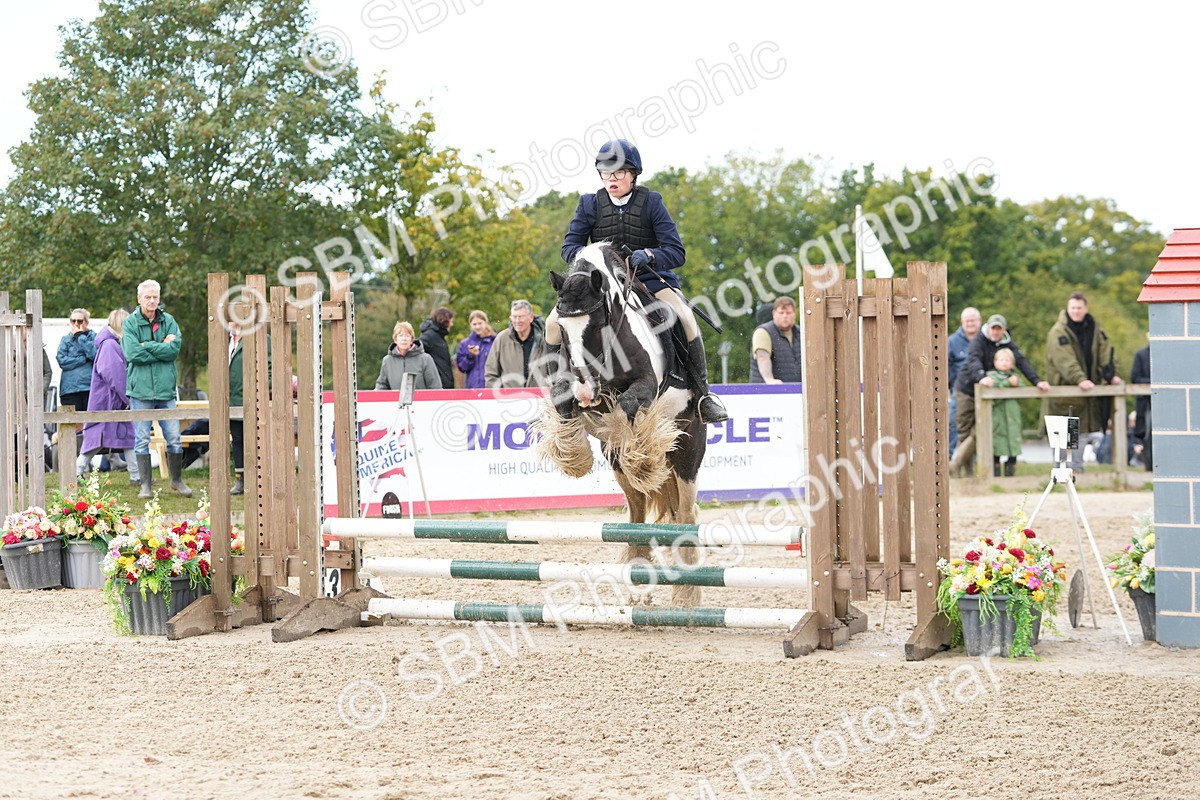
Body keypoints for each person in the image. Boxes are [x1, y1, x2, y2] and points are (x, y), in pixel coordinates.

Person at [553, 139, 726, 423]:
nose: (612, 179)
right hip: (601, 285)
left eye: (619, 173)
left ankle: (702, 395)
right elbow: (569, 247)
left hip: (647, 280)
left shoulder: (651, 202)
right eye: (606, 174)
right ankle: (559, 387)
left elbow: (676, 251)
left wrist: (650, 254)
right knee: (552, 323)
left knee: (684, 317)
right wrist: (592, 259)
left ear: (633, 174)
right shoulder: (589, 204)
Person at [949, 314, 1049, 477]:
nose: (995, 332)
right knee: (964, 431)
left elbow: (1021, 361)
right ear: (988, 328)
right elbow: (974, 361)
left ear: (1003, 330)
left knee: (980, 430)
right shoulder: (979, 341)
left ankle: (956, 464)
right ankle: (965, 471)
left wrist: (1036, 381)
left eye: (999, 329)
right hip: (967, 389)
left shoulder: (1007, 343)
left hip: (986, 392)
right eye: (993, 328)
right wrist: (982, 377)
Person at [123, 280, 191, 498]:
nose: (152, 301)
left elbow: (173, 351)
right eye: (147, 297)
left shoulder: (169, 320)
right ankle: (145, 485)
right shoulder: (130, 323)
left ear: (159, 298)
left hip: (165, 390)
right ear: (139, 299)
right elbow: (133, 354)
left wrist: (148, 346)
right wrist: (161, 345)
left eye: (155, 297)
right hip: (140, 391)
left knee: (174, 437)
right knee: (141, 438)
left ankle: (177, 480)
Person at [1044, 292, 1120, 471]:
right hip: (1065, 391)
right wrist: (1080, 379)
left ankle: (1078, 470)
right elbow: (1065, 361)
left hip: (1088, 394)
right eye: (1073, 308)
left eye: (1079, 308)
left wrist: (1111, 375)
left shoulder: (1095, 329)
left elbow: (1105, 353)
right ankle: (1059, 471)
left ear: (1085, 308)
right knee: (1062, 433)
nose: (1076, 311)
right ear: (1067, 308)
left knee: (1083, 431)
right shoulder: (1058, 332)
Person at [80, 309, 139, 485]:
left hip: (113, 400)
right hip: (108, 401)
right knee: (97, 438)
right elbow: (115, 376)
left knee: (128, 437)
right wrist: (127, 398)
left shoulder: (111, 343)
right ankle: (77, 470)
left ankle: (136, 475)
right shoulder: (110, 345)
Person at [57, 308, 97, 475]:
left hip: (89, 387)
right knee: (71, 426)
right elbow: (62, 360)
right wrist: (82, 359)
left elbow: (94, 354)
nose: (76, 324)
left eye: (79, 321)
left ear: (86, 323)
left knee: (91, 425)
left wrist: (80, 337)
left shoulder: (93, 337)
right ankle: (68, 465)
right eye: (73, 321)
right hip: (69, 389)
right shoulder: (65, 339)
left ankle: (86, 464)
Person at [484, 300, 549, 389]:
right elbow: (491, 373)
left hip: (540, 398)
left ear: (531, 317)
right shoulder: (501, 339)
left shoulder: (544, 339)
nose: (517, 321)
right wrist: (499, 396)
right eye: (514, 317)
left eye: (521, 317)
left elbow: (553, 370)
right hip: (508, 399)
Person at [947, 307, 982, 458]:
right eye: (967, 321)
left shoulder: (984, 340)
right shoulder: (952, 341)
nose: (970, 323)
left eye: (973, 320)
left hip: (981, 390)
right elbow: (946, 366)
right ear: (962, 322)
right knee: (955, 423)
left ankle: (972, 460)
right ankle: (949, 458)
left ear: (979, 322)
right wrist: (950, 387)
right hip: (959, 390)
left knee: (977, 427)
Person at [987, 348, 1023, 476]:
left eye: (1007, 360)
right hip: (998, 418)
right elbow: (992, 393)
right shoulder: (991, 377)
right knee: (996, 444)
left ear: (1012, 363)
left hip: (1013, 418)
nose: (1004, 363)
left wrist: (1017, 384)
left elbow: (1023, 392)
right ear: (995, 362)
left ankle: (1010, 472)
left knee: (1013, 444)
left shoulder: (1016, 377)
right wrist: (1007, 383)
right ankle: (995, 473)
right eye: (1001, 360)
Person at [749, 296, 802, 384]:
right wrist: (769, 380)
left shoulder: (802, 333)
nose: (785, 316)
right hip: (765, 392)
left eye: (788, 312)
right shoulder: (763, 332)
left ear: (794, 314)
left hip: (796, 392)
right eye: (781, 312)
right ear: (774, 313)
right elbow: (762, 358)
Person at [375, 321, 440, 391]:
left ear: (411, 339)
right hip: (396, 401)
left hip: (421, 401)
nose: (404, 339)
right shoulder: (387, 361)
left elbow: (435, 387)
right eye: (400, 335)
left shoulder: (425, 359)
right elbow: (381, 386)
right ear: (395, 339)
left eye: (407, 336)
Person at [455, 310, 497, 390]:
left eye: (480, 323)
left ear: (485, 322)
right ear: (470, 325)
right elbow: (462, 367)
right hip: (473, 387)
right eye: (474, 324)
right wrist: (470, 356)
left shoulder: (495, 341)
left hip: (492, 387)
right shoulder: (465, 344)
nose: (477, 327)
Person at [419, 306, 456, 389]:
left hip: (444, 384)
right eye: (451, 321)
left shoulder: (438, 336)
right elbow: (416, 350)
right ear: (445, 320)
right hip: (437, 385)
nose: (452, 324)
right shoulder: (430, 336)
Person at [1130, 341, 1151, 470]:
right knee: (1147, 433)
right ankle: (1149, 466)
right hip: (1146, 402)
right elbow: (1135, 377)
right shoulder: (1141, 355)